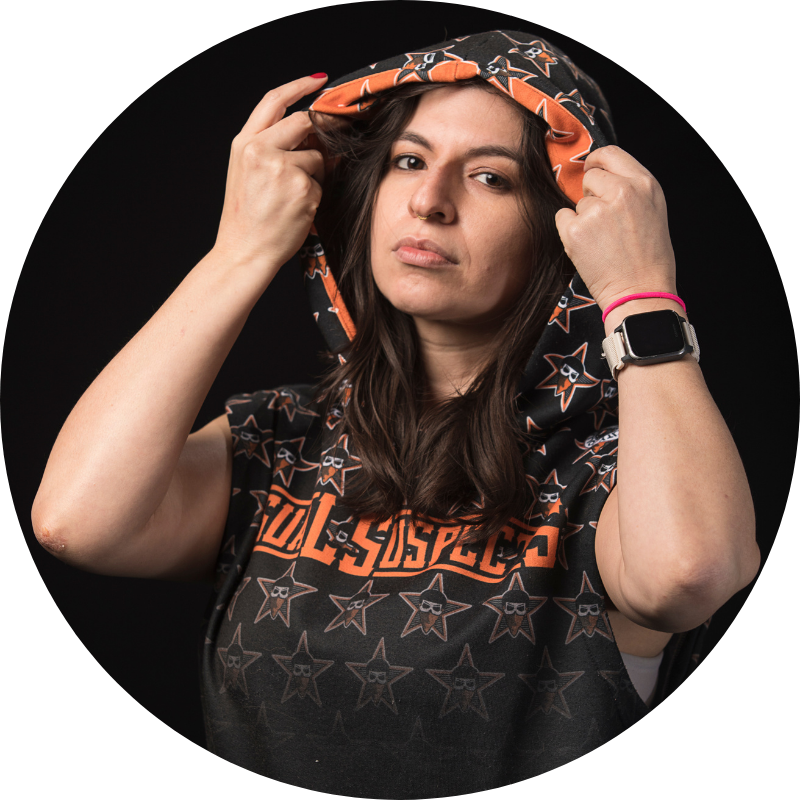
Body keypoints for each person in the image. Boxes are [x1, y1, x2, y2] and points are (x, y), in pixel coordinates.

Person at [31, 30, 759, 795]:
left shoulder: (614, 470)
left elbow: (690, 574)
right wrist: (239, 251)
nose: (428, 200)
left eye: (490, 177)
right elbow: (77, 521)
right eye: (409, 161)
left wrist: (638, 291)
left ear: (565, 227)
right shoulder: (283, 441)